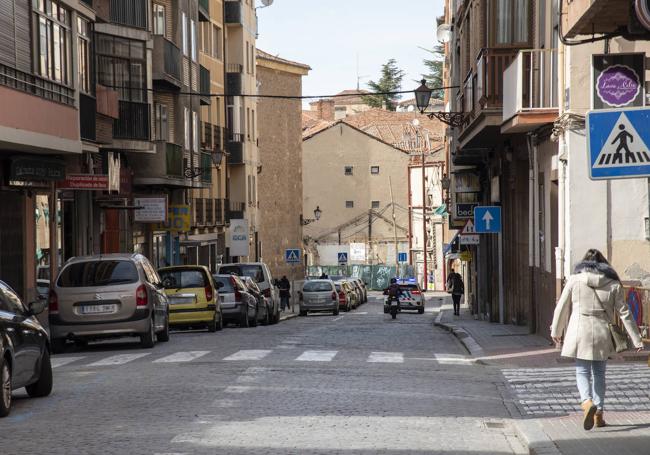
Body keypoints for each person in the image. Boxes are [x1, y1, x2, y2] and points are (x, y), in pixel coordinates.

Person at [550, 249, 644, 431]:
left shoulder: (575, 279)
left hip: (579, 330)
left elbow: (562, 305)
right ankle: (599, 412)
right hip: (602, 331)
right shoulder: (613, 283)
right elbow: (624, 312)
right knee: (600, 374)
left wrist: (557, 330)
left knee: (582, 371)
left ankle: (586, 402)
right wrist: (637, 339)